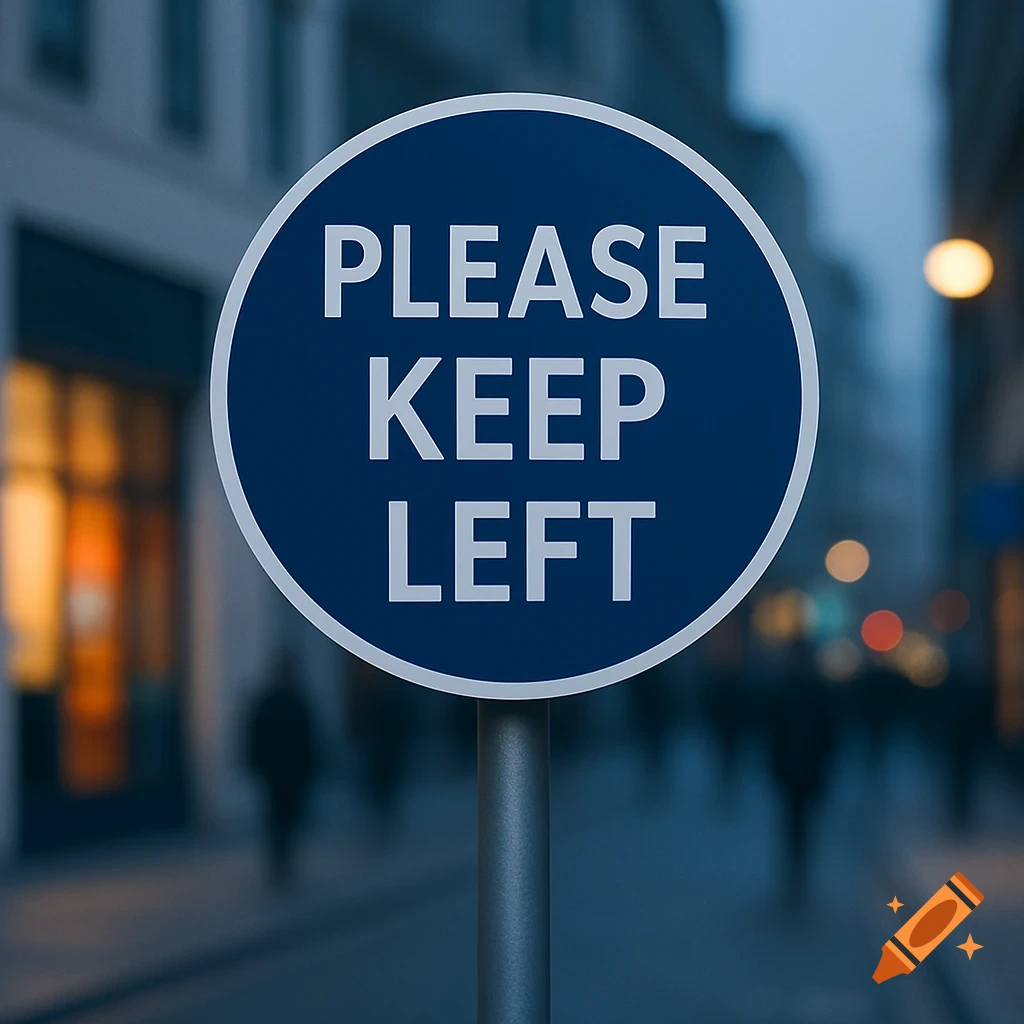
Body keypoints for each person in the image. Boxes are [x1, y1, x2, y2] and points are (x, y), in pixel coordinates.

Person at [767, 639, 837, 908]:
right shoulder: (808, 689)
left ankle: (797, 869)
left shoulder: (793, 689)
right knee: (795, 820)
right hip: (798, 768)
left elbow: (829, 730)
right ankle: (796, 869)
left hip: (803, 767)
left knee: (797, 820)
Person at [246, 653, 317, 888]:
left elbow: (308, 740)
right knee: (281, 817)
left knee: (281, 817)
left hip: (283, 772)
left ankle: (281, 860)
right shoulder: (285, 702)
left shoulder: (288, 702)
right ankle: (281, 860)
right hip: (280, 771)